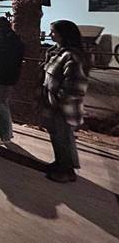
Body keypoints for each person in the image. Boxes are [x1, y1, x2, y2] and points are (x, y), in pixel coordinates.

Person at [41, 20, 89, 183]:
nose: (50, 35)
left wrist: (59, 100)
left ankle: (67, 171)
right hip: (53, 103)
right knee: (56, 136)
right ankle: (60, 163)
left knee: (63, 138)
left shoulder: (72, 56)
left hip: (63, 106)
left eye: (53, 32)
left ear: (64, 34)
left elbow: (74, 85)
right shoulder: (56, 52)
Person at [0, 16, 24, 143]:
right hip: (7, 77)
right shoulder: (13, 39)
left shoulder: (5, 40)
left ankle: (5, 135)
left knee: (0, 105)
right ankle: (3, 133)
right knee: (1, 104)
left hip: (1, 77)